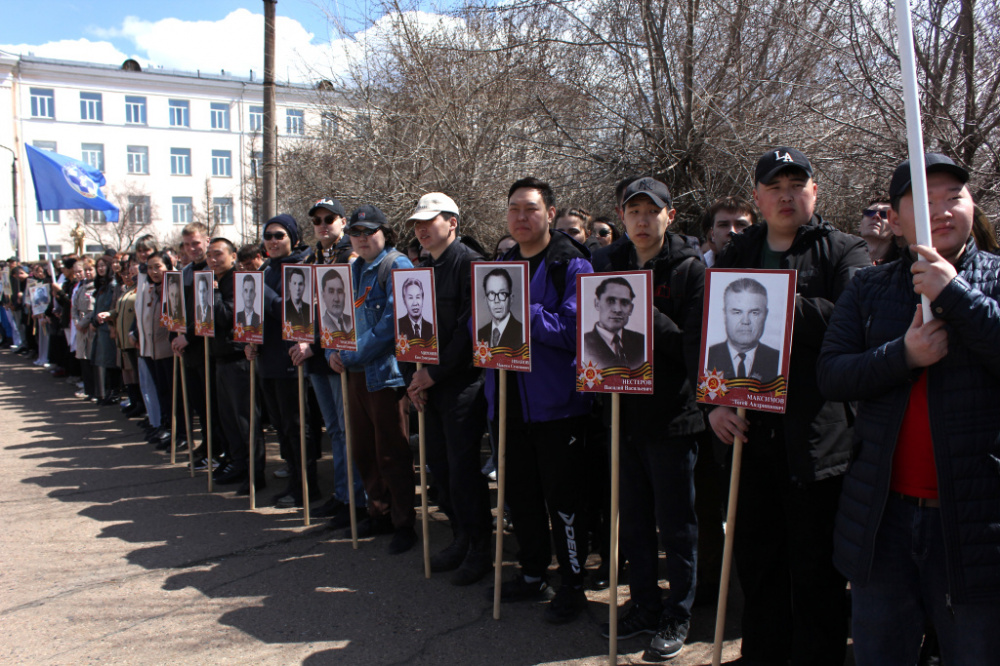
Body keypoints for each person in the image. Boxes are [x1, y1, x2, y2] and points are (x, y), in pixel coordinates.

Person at [818, 153, 1000, 666]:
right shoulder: (870, 288)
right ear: (895, 220)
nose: (942, 210)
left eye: (954, 197)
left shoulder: (994, 278)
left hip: (973, 521)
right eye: (925, 198)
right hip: (883, 519)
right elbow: (832, 374)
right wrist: (903, 356)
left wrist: (955, 295)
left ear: (973, 205)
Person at [708, 147, 870, 666]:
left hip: (818, 445)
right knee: (760, 568)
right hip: (749, 441)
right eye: (774, 186)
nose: (785, 195)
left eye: (796, 184)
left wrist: (778, 301)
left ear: (814, 193)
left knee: (817, 574)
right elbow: (707, 333)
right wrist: (713, 403)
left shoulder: (846, 251)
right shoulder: (736, 254)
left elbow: (852, 323)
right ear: (757, 198)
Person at [591, 176, 706, 660]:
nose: (641, 219)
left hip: (671, 417)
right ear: (621, 217)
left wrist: (646, 318)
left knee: (676, 524)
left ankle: (678, 610)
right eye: (632, 211)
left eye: (650, 210)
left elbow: (696, 347)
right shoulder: (606, 263)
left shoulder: (688, 269)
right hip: (620, 415)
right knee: (632, 520)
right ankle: (642, 603)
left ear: (669, 215)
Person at [487, 177, 594, 624]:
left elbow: (576, 332)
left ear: (550, 213)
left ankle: (572, 583)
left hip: (558, 409)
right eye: (514, 209)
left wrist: (522, 309)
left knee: (563, 501)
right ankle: (533, 573)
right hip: (508, 405)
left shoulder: (571, 265)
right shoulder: (502, 264)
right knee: (521, 498)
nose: (521, 217)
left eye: (531, 209)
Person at [404, 192, 492, 586]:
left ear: (452, 222)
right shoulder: (422, 268)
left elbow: (467, 332)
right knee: (438, 467)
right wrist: (415, 376)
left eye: (431, 221)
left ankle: (480, 548)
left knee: (462, 471)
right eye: (418, 224)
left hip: (461, 386)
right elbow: (413, 327)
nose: (422, 229)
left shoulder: (470, 264)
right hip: (430, 383)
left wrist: (433, 375)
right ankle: (459, 537)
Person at [327, 205, 417, 554]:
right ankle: (377, 511)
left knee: (392, 451)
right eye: (356, 232)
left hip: (385, 375)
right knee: (363, 448)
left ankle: (403, 522)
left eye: (369, 231)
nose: (362, 238)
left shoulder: (397, 265)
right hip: (354, 373)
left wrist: (349, 354)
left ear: (385, 232)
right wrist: (331, 351)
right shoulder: (353, 269)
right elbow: (337, 316)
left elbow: (392, 325)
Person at [246, 214, 321, 508]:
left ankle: (306, 486)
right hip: (268, 357)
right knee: (280, 426)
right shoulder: (266, 270)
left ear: (294, 239)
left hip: (292, 358)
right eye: (269, 236)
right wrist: (249, 340)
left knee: (296, 426)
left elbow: (294, 313)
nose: (273, 241)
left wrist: (264, 293)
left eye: (280, 236)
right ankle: (293, 481)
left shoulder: (300, 269)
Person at [305, 196, 366, 528]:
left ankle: (356, 498)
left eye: (330, 218)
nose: (323, 225)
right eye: (317, 220)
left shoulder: (351, 258)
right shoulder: (309, 258)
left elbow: (349, 311)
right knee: (336, 432)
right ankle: (343, 493)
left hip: (338, 353)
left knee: (347, 430)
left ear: (343, 222)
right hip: (315, 354)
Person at [206, 238, 266, 493]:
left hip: (238, 359)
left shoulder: (238, 282)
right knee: (228, 419)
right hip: (219, 358)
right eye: (210, 254)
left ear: (232, 256)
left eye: (218, 253)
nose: (213, 259)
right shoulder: (213, 280)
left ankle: (255, 473)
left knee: (246, 420)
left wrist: (215, 291)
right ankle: (238, 463)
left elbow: (223, 317)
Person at [705, 277, 780, 382]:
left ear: (765, 315)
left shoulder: (779, 360)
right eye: (737, 312)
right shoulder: (707, 357)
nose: (745, 321)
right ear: (724, 314)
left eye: (754, 313)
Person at [582, 276, 645, 370]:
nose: (617, 309)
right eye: (611, 301)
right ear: (597, 304)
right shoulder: (583, 343)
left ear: (631, 309)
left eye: (624, 302)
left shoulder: (642, 342)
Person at [476, 268, 523, 349]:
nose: (496, 301)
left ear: (511, 299)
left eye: (502, 293)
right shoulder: (480, 334)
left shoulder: (522, 332)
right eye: (491, 294)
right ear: (486, 300)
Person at [702, 197, 756, 267]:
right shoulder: (695, 273)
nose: (732, 231)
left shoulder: (771, 267)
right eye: (723, 225)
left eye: (741, 224)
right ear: (712, 234)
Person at [858, 200, 896, 264]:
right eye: (869, 212)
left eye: (884, 214)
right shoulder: (843, 259)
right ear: (860, 226)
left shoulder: (903, 267)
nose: (876, 216)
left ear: (896, 227)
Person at [397, 276, 434, 341]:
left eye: (418, 297)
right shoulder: (398, 326)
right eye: (410, 298)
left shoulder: (431, 328)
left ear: (423, 298)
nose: (415, 303)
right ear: (404, 300)